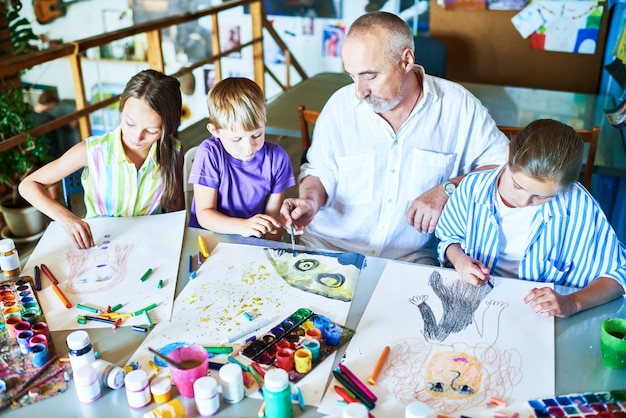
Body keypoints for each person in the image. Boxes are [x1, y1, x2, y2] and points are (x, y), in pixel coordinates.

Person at [280, 11, 508, 263]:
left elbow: (503, 169)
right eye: (352, 76)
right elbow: (319, 172)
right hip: (329, 247)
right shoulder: (340, 106)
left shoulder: (458, 107)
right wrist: (309, 203)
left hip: (408, 260)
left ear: (406, 60)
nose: (359, 92)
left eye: (370, 75)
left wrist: (448, 189)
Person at [435, 119, 626, 318]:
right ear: (508, 155)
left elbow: (619, 275)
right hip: (474, 304)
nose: (524, 201)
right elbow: (449, 238)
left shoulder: (579, 206)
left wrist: (572, 303)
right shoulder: (472, 188)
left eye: (542, 196)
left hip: (539, 318)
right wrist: (459, 260)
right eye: (518, 186)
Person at [19, 69, 185, 250]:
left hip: (149, 245)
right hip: (100, 245)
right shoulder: (93, 151)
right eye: (130, 123)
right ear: (121, 106)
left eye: (152, 131)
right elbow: (28, 185)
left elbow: (176, 211)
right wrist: (67, 220)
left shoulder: (173, 152)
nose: (137, 137)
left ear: (169, 127)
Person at [188, 77, 295, 241]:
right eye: (237, 139)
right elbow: (204, 215)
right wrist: (242, 226)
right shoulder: (210, 154)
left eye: (257, 135)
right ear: (214, 130)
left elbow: (273, 220)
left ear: (264, 118)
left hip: (253, 244)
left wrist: (272, 253)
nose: (249, 147)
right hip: (208, 241)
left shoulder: (277, 159)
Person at [31, 90, 80, 202]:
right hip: (51, 155)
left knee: (41, 182)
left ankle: (48, 204)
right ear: (50, 103)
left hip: (34, 155)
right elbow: (69, 128)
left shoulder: (29, 116)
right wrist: (77, 113)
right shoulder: (48, 119)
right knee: (53, 185)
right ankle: (55, 204)